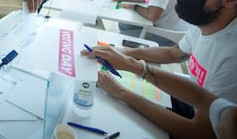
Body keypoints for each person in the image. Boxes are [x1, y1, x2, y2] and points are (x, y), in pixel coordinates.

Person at [85, 0, 237, 120]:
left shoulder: (231, 56)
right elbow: (174, 53)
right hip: (189, 97)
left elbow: (200, 132)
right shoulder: (203, 24)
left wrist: (122, 92)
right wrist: (122, 52)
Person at [84, 51, 236, 139]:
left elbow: (197, 133)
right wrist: (131, 63)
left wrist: (121, 92)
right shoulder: (204, 29)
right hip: (190, 109)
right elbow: (202, 98)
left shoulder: (232, 60)